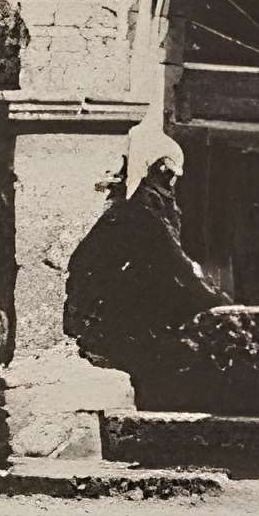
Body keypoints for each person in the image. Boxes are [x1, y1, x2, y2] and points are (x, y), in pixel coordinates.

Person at [63, 132, 219, 371]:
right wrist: (216, 303)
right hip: (119, 321)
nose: (173, 185)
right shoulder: (140, 212)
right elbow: (175, 264)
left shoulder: (141, 209)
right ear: (158, 171)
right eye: (169, 175)